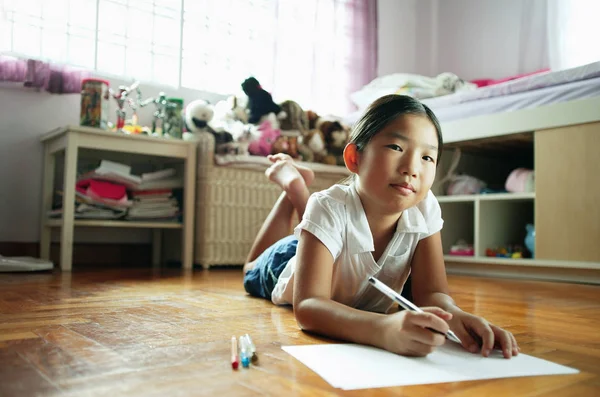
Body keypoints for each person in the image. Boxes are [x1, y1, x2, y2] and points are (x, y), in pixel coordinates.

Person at [243, 95, 519, 359]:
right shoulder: (327, 206)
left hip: (328, 243)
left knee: (324, 218)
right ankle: (293, 186)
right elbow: (308, 306)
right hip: (290, 262)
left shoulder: (425, 207)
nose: (412, 168)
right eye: (396, 148)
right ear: (354, 158)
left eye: (427, 157)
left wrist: (455, 317)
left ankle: (298, 190)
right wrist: (382, 329)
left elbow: (432, 294)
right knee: (250, 270)